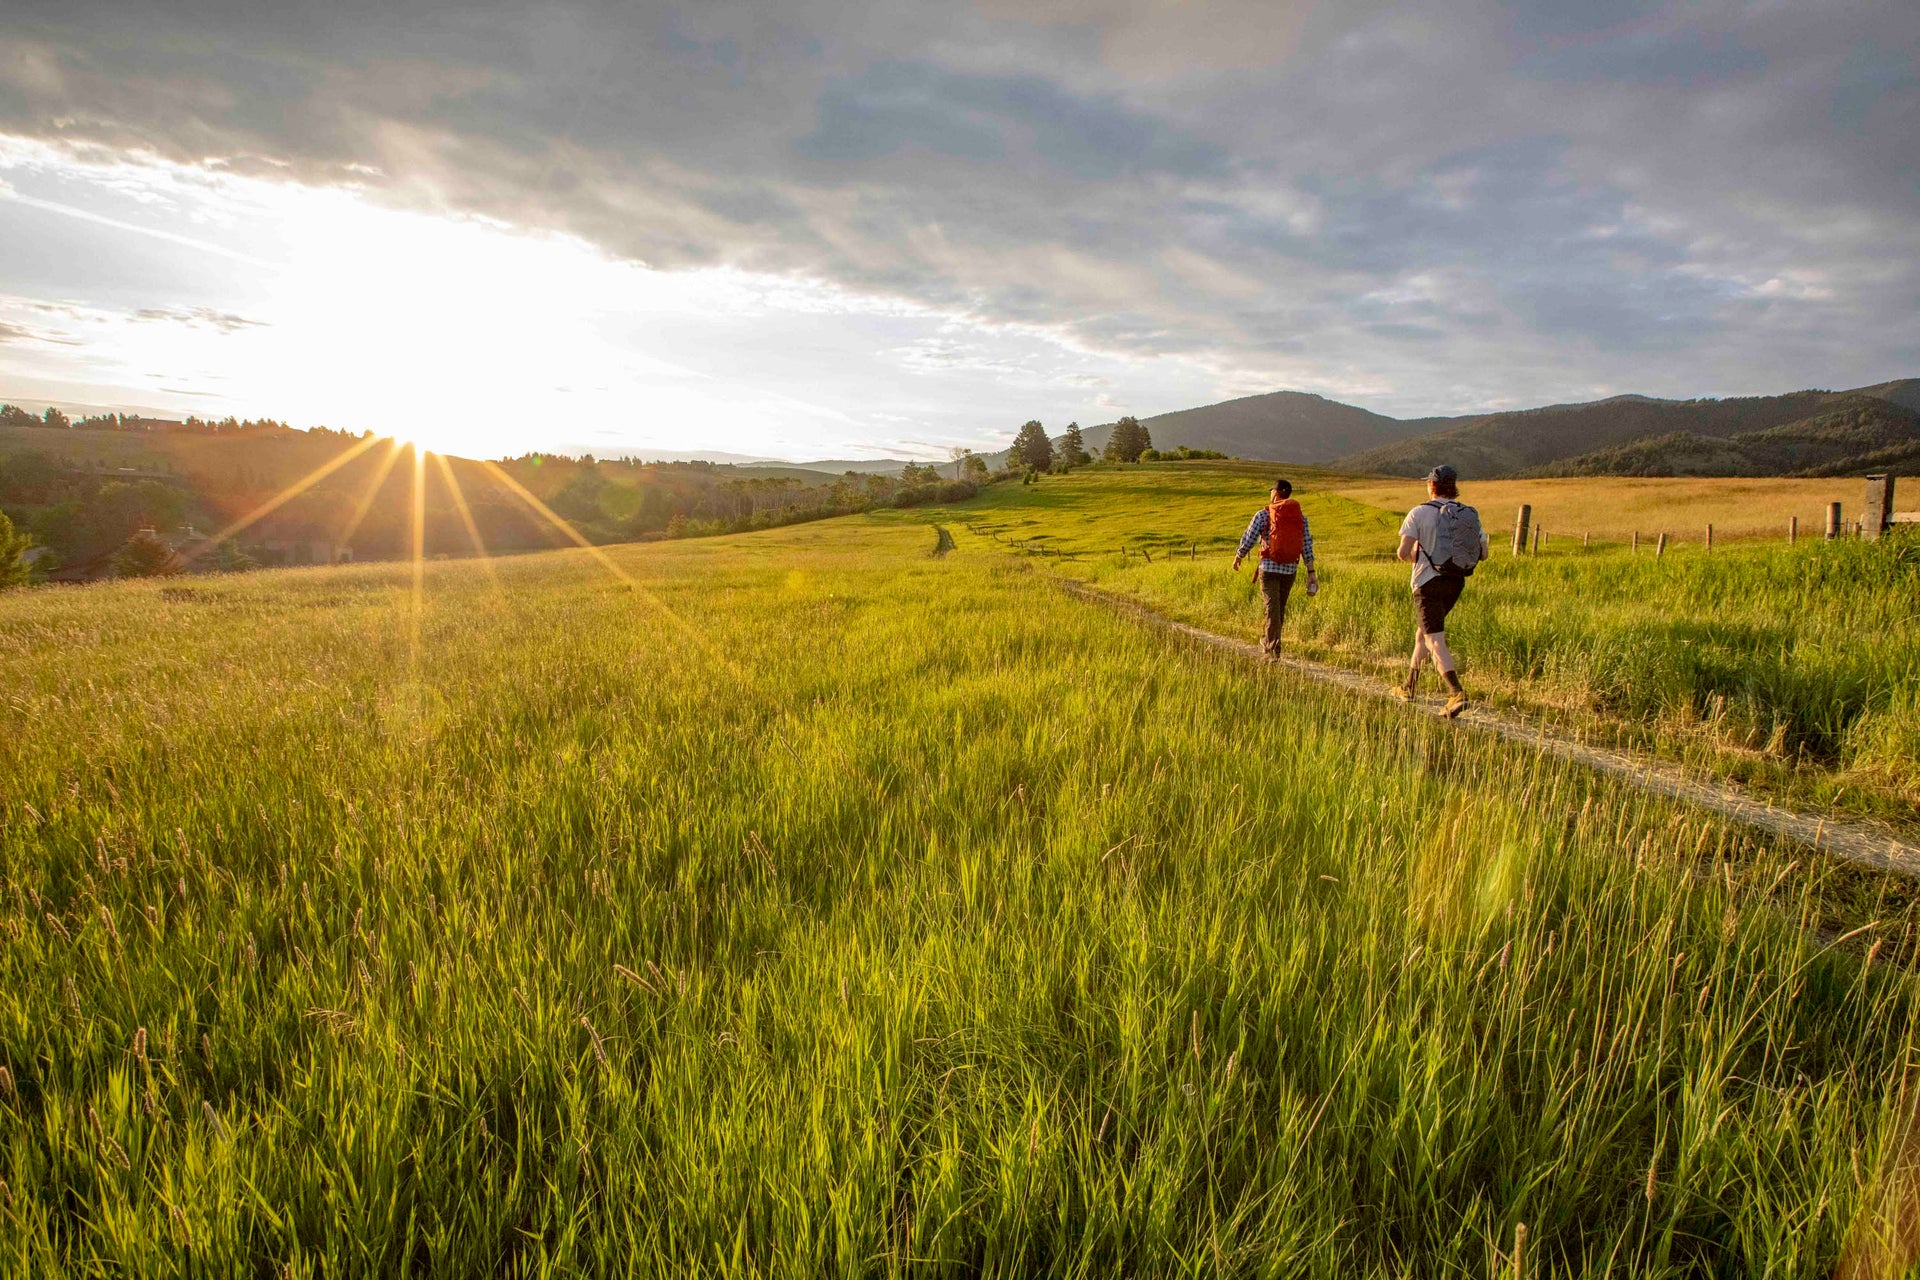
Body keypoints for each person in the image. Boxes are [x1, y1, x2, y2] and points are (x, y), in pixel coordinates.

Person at [1394, 464, 1487, 717]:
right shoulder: (1468, 514)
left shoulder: (1419, 513)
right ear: (1453, 487)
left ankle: (1456, 693)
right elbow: (1484, 553)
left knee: (1434, 638)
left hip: (1427, 583)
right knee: (1422, 633)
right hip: (1456, 581)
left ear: (1431, 485)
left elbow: (1403, 553)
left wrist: (1420, 555)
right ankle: (1409, 687)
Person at [1231, 478, 1317, 658]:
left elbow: (1249, 537)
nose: (1270, 494)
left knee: (1272, 609)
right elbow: (1306, 544)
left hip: (1268, 569)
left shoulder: (1263, 515)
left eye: (1272, 491)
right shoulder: (1301, 518)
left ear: (1276, 493)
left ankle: (1271, 650)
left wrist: (1239, 556)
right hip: (1290, 570)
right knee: (1278, 609)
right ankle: (1271, 643)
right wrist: (1311, 572)